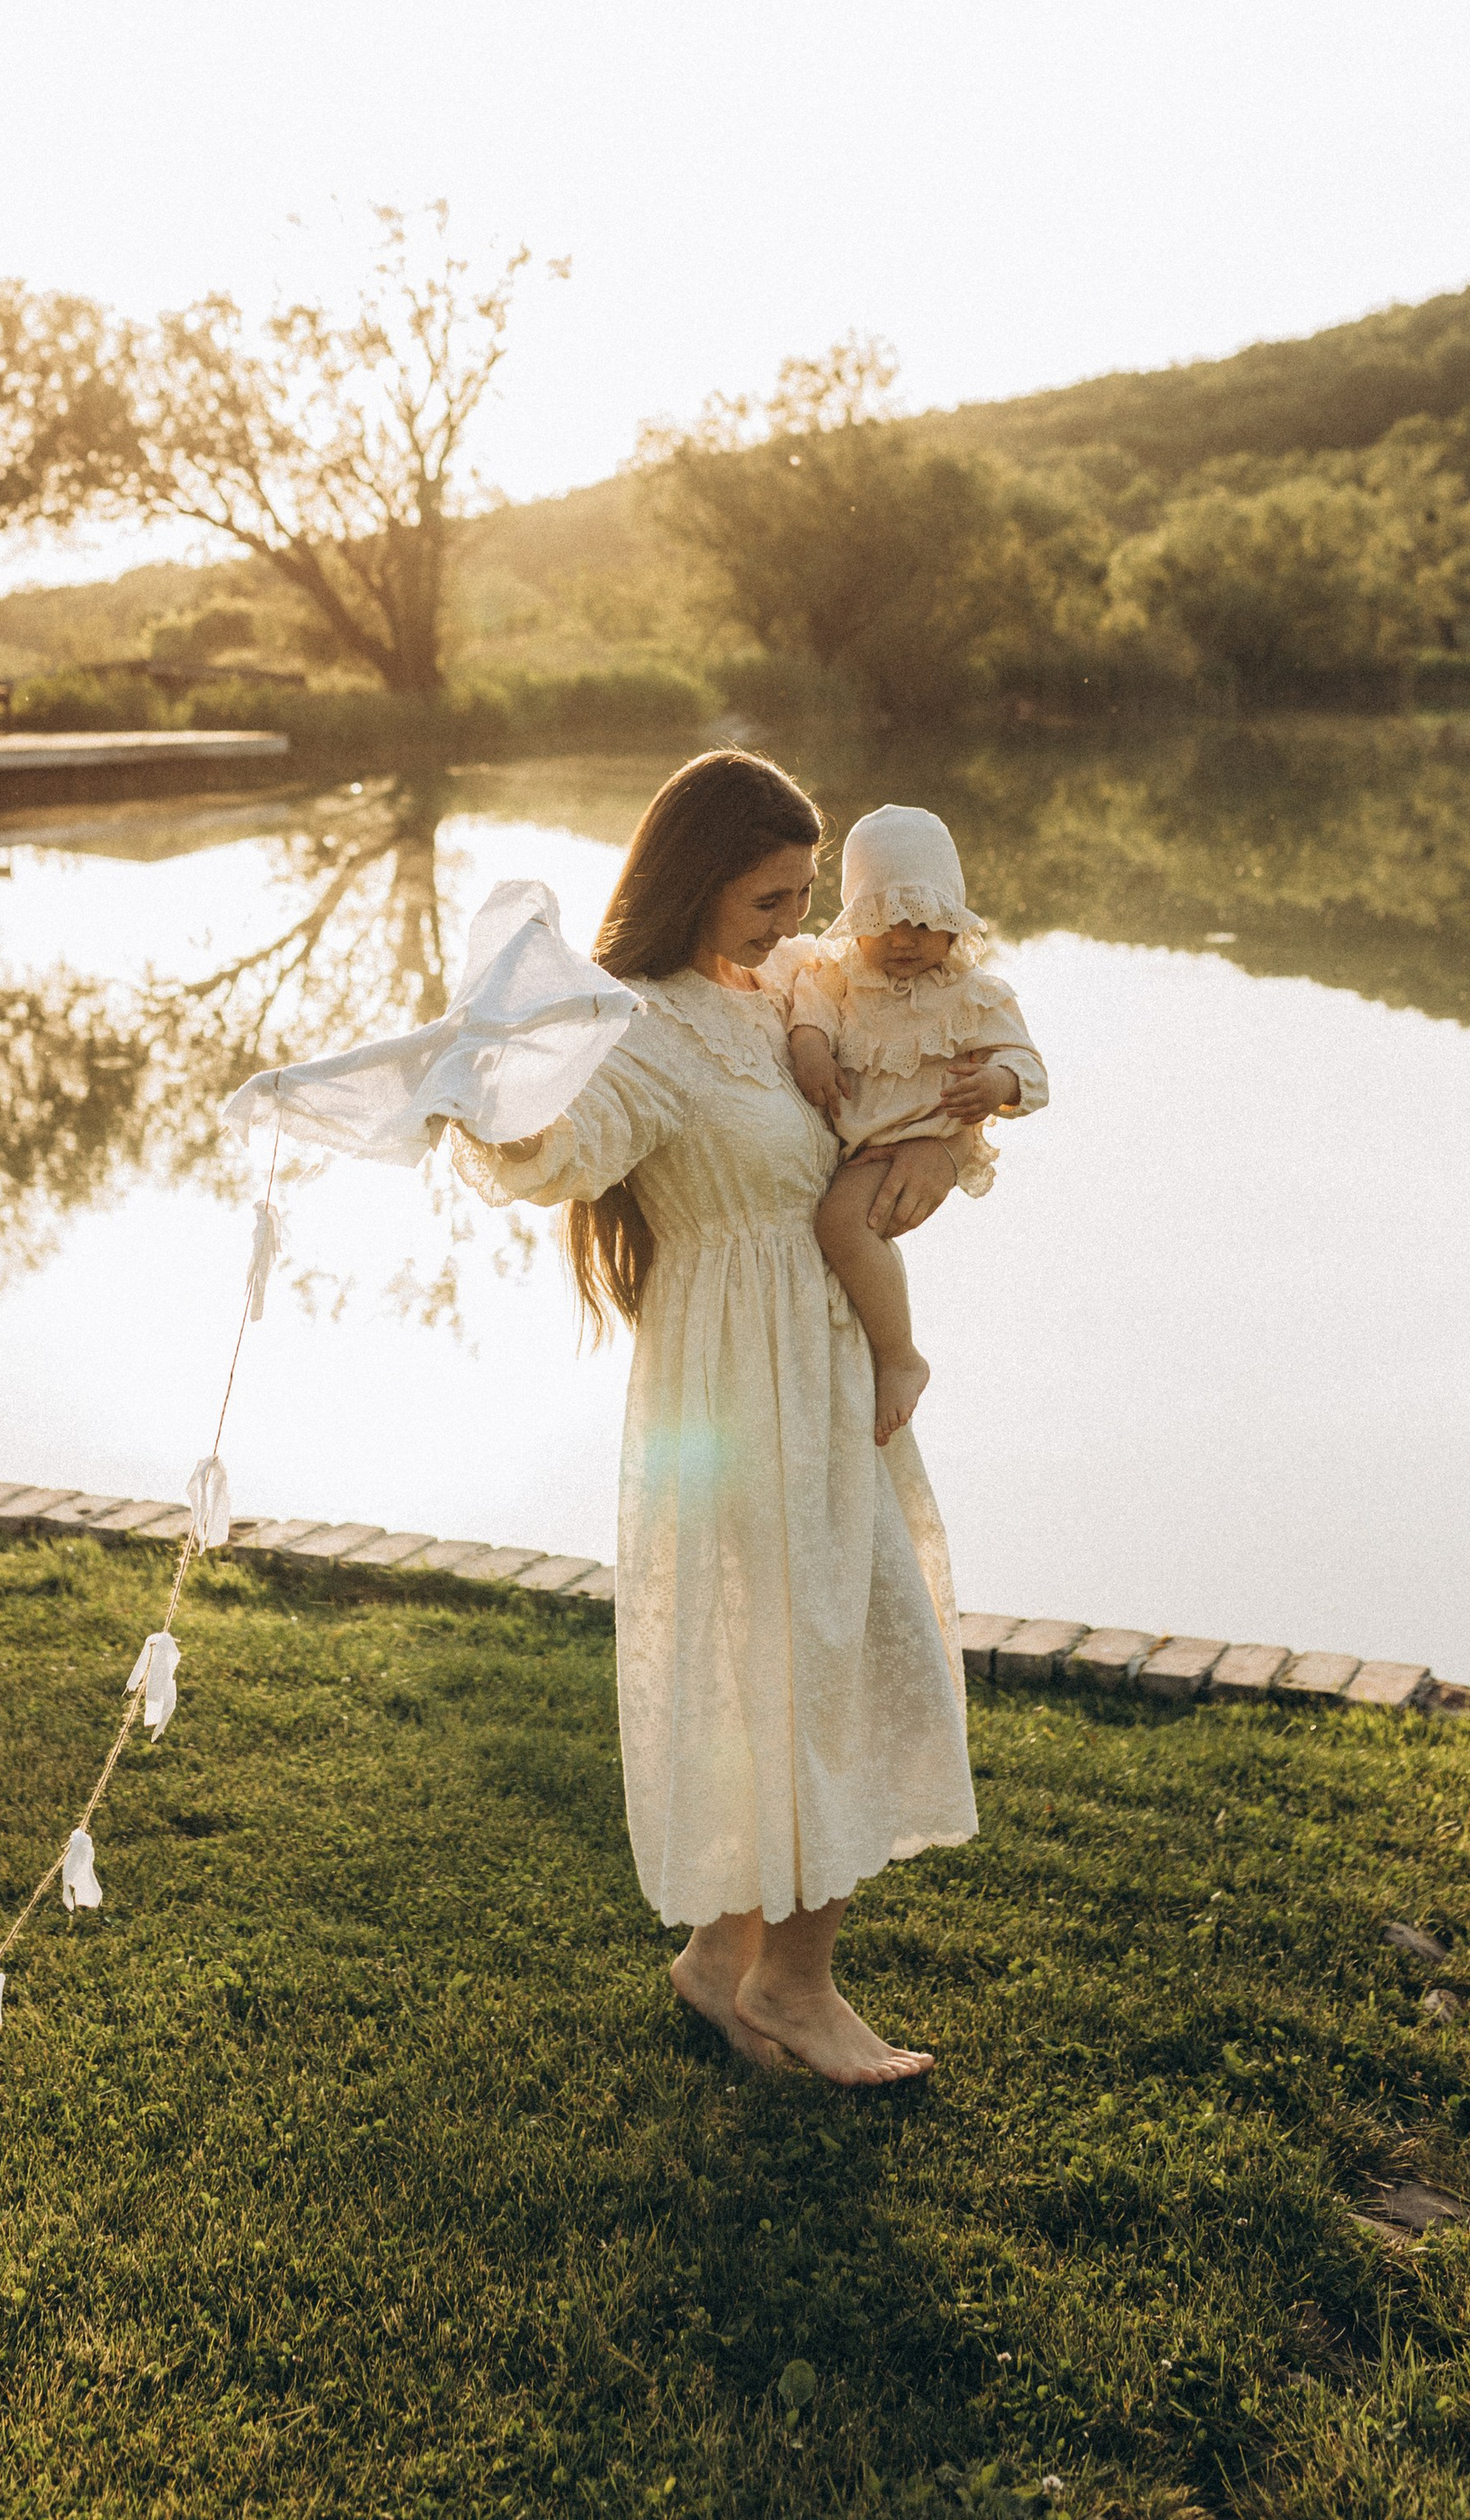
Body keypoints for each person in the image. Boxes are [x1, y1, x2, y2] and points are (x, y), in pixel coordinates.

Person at [444, 749, 976, 2088]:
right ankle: (793, 1991)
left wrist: (932, 1141)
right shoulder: (640, 1023)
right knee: (811, 1662)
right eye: (764, 903)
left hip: (830, 1367)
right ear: (693, 887)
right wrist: (490, 1097)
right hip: (741, 1389)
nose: (792, 927)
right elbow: (565, 1149)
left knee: (825, 1654)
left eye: (802, 897)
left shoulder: (782, 996)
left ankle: (717, 1956)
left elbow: (895, 1112)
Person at [769, 804, 1049, 1453]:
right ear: (857, 922)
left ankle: (900, 1355)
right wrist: (810, 1049)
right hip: (859, 1148)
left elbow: (1028, 1067)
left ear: (952, 921)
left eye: (923, 923)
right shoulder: (839, 979)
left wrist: (997, 1085)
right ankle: (881, 1350)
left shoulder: (976, 994)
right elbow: (809, 1016)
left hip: (900, 1148)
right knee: (853, 1233)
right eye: (884, 922)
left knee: (840, 1224)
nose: (903, 939)